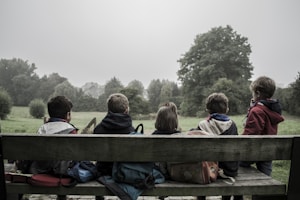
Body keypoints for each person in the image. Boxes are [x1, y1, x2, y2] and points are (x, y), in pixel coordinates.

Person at [190, 92, 240, 200]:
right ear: (226, 109)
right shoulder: (232, 125)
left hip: (207, 171)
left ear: (208, 109)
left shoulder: (202, 125)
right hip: (229, 171)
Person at [28, 95, 78, 200]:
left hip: (41, 169)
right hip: (63, 172)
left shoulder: (42, 129)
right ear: (68, 115)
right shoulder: (71, 130)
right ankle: (62, 196)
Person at [93, 93, 135, 200]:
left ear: (109, 110)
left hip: (103, 172)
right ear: (126, 110)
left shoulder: (98, 129)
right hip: (123, 173)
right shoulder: (131, 131)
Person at [240, 76, 284, 176]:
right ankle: (265, 190)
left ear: (258, 93)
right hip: (268, 150)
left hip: (253, 150)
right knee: (266, 175)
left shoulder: (257, 111)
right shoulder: (272, 109)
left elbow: (251, 133)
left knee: (237, 165)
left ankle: (238, 190)